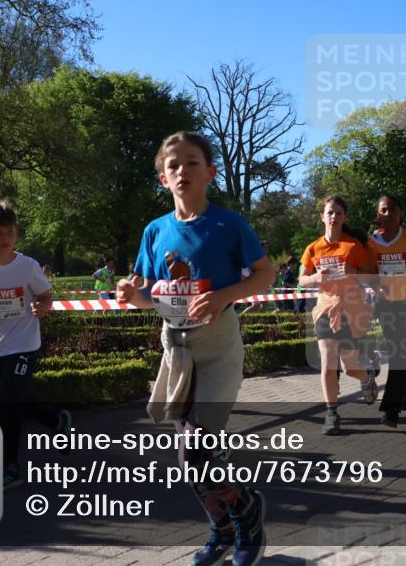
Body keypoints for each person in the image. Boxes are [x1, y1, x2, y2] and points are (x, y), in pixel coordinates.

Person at [116, 131, 274, 566]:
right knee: (190, 456)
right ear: (163, 179)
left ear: (210, 172)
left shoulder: (228, 224)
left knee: (198, 448)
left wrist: (225, 295)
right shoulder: (155, 231)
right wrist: (132, 294)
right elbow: (148, 290)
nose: (181, 170)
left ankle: (246, 513)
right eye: (173, 165)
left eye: (191, 162)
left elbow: (266, 275)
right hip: (177, 348)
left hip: (217, 345)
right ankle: (224, 529)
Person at [0, 200, 70, 490]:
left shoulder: (28, 266)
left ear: (16, 235)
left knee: (7, 403)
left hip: (25, 344)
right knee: (21, 399)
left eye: (9, 232)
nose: (3, 239)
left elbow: (46, 296)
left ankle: (10, 467)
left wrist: (43, 308)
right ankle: (57, 421)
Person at [299, 197, 378, 435]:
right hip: (325, 309)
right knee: (327, 365)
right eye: (330, 213)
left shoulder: (353, 246)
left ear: (345, 218)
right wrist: (314, 278)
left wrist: (353, 271)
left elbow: (371, 277)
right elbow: (301, 280)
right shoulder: (313, 248)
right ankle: (331, 414)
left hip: (351, 311)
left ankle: (366, 378)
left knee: (349, 366)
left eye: (339, 213)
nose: (334, 217)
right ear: (322, 216)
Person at [365, 195, 406, 428]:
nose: (388, 213)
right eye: (384, 209)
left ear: (400, 214)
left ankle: (391, 410)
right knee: (398, 350)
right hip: (384, 301)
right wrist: (375, 285)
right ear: (378, 213)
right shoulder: (371, 244)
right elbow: (369, 273)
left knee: (398, 350)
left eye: (393, 209)